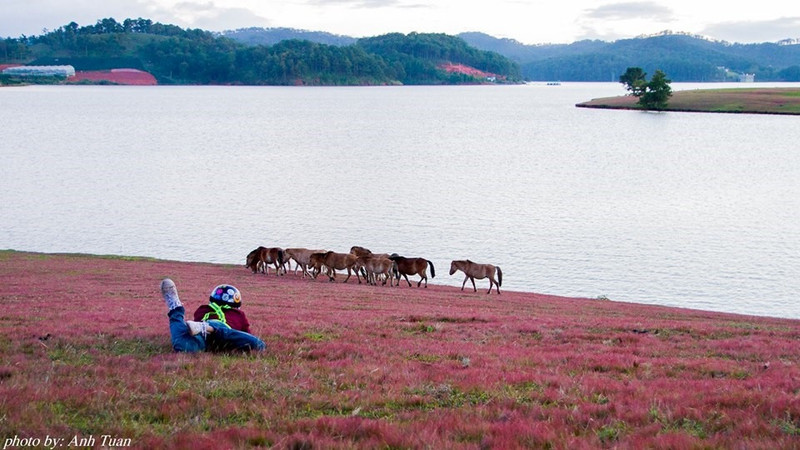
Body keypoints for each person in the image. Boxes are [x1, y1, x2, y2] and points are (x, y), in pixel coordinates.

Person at [159, 278, 265, 353]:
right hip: (224, 333)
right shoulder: (239, 314)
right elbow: (245, 334)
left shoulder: (203, 309)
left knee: (182, 347)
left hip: (204, 334)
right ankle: (210, 329)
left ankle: (175, 308)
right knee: (259, 344)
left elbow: (193, 329)